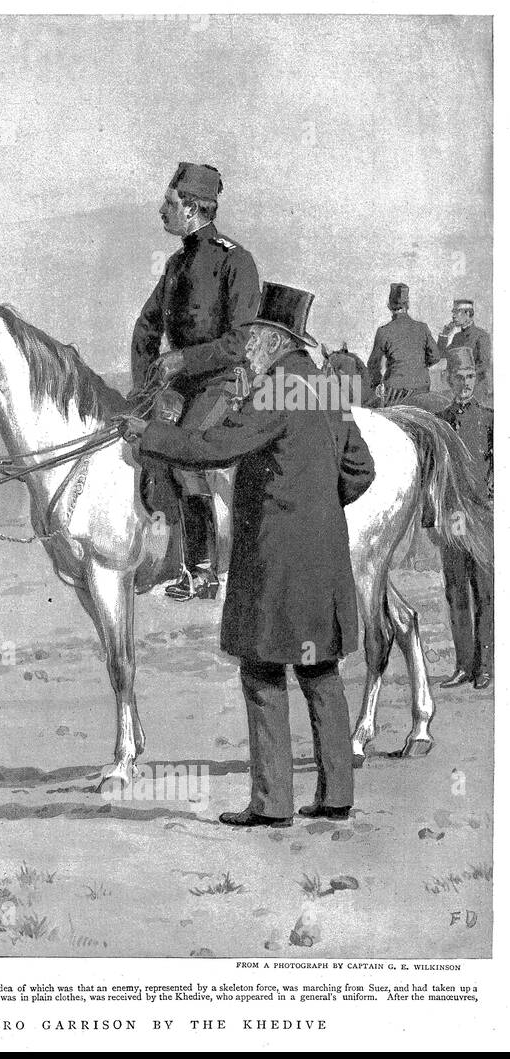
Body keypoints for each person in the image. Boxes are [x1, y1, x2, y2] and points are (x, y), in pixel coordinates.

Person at [120, 284, 376, 826]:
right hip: (323, 558)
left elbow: (215, 448)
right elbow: (360, 470)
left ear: (274, 339)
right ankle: (336, 797)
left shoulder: (274, 390)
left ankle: (272, 804)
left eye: (253, 338)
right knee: (320, 671)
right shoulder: (327, 389)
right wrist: (319, 509)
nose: (247, 349)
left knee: (261, 674)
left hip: (274, 560)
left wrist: (151, 434)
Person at [130, 162, 261, 601]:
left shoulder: (236, 260)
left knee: (183, 449)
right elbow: (146, 327)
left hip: (222, 380)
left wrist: (183, 359)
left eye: (168, 204)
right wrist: (143, 384)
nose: (161, 212)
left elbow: (240, 341)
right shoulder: (175, 263)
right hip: (180, 384)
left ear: (191, 209)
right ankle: (166, 559)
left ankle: (202, 571)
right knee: (143, 441)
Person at [435, 345, 493, 690]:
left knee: (485, 592)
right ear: (448, 380)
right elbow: (434, 473)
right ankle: (463, 666)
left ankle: (485, 667)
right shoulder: (440, 421)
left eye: (470, 376)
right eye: (459, 377)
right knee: (456, 591)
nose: (466, 383)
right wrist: (434, 518)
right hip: (452, 516)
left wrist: (491, 495)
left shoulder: (490, 418)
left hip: (482, 516)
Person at [365, 283, 445, 411]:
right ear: (408, 305)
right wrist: (418, 365)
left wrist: (377, 383)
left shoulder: (383, 331)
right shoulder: (422, 327)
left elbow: (373, 364)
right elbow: (435, 356)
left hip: (394, 392)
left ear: (389, 305)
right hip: (421, 388)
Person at [438, 298, 492, 410]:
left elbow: (484, 364)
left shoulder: (481, 336)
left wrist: (464, 375)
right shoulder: (457, 337)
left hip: (477, 389)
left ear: (467, 314)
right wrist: (444, 335)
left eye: (457, 312)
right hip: (459, 388)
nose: (453, 316)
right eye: (453, 312)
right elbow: (442, 354)